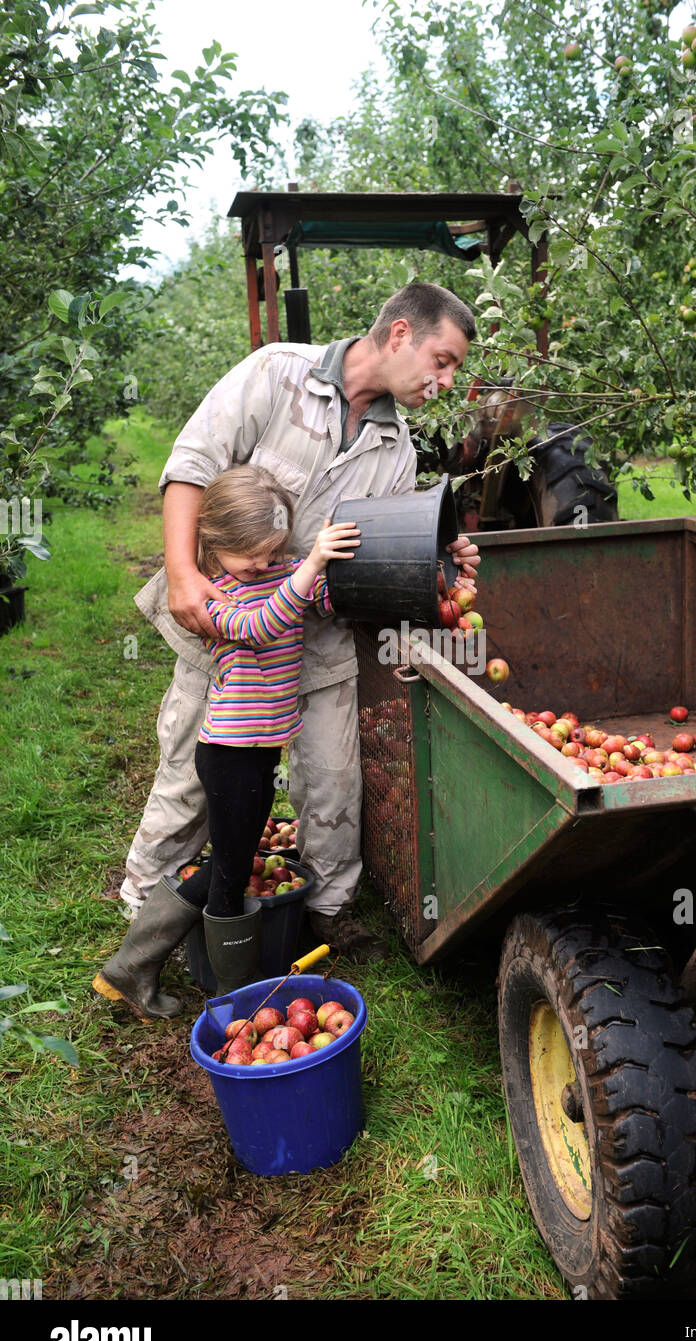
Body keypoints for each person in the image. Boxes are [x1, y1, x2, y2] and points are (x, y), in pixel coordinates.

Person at [117, 281, 480, 971]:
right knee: (194, 774)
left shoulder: (395, 451)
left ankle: (323, 917)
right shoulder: (276, 374)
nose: (446, 381)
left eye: (454, 369)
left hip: (312, 636)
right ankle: (144, 915)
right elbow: (189, 466)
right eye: (442, 360)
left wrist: (440, 560)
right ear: (399, 334)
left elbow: (380, 558)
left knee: (332, 784)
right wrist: (185, 576)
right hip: (222, 623)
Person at [93, 469, 361, 1016]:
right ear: (215, 545)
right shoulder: (213, 597)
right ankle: (230, 1000)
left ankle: (131, 967)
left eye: (274, 553)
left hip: (262, 752)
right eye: (252, 557)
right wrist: (307, 568)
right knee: (231, 873)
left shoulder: (279, 572)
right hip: (229, 755)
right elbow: (262, 626)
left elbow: (318, 604)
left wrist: (333, 577)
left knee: (230, 862)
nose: (265, 566)